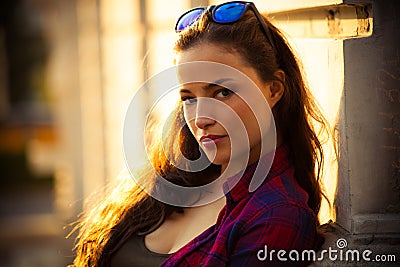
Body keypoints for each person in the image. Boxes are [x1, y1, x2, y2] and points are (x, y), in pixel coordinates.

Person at [70, 1, 328, 266]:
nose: (201, 119)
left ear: (273, 90)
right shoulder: (173, 182)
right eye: (189, 98)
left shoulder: (276, 216)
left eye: (223, 92)